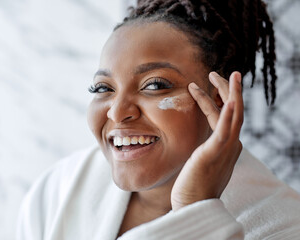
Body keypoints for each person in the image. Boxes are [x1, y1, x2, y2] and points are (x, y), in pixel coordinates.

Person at [16, 0, 300, 239]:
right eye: (103, 88)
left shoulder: (284, 226)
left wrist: (195, 210)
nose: (117, 112)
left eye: (154, 85)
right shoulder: (58, 189)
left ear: (219, 100)